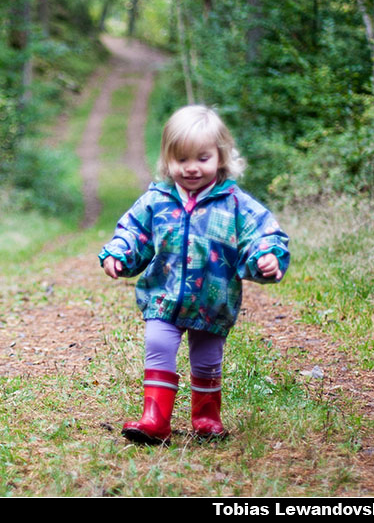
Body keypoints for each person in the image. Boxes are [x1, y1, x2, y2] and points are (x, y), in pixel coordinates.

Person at [99, 105, 289, 444]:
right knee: (158, 344)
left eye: (202, 158)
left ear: (221, 157)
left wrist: (266, 255)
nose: (191, 168)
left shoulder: (234, 203)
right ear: (167, 159)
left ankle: (206, 418)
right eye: (181, 159)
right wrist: (119, 252)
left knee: (207, 360)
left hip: (213, 300)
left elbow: (261, 233)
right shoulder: (157, 199)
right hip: (164, 296)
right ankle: (155, 419)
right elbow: (134, 231)